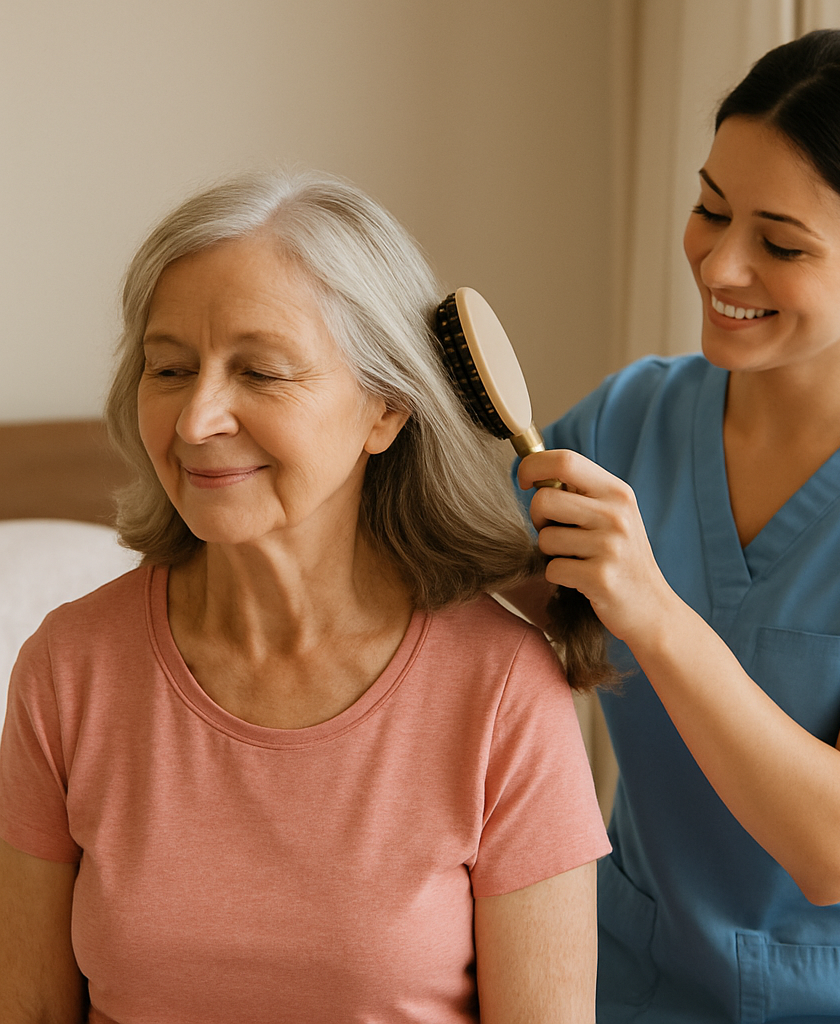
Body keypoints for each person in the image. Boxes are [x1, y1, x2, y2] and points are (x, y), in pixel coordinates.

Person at [0, 171, 611, 1023]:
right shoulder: (67, 672)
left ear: (385, 409)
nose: (196, 419)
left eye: (262, 372)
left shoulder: (503, 692)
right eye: (170, 367)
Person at [510, 29, 840, 1024]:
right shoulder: (632, 417)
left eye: (780, 244)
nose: (720, 264)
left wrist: (651, 611)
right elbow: (481, 585)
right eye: (709, 209)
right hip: (636, 982)